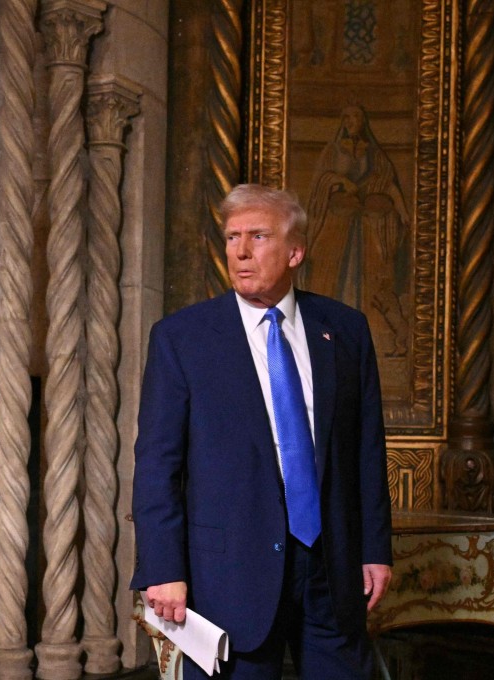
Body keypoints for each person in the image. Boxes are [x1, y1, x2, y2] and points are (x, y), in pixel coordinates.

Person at [131, 184, 393, 679]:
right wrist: (163, 568)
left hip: (331, 569)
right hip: (229, 573)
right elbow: (157, 466)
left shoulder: (346, 329)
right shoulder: (181, 338)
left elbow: (365, 450)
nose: (240, 251)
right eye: (232, 238)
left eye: (257, 236)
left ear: (295, 252)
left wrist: (375, 550)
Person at [305, 105, 411, 357]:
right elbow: (321, 181)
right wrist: (340, 182)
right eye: (347, 117)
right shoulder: (332, 151)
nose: (351, 121)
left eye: (356, 117)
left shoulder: (374, 154)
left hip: (365, 227)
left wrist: (403, 211)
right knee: (330, 276)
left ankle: (370, 337)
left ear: (363, 122)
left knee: (371, 279)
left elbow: (388, 184)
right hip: (337, 224)